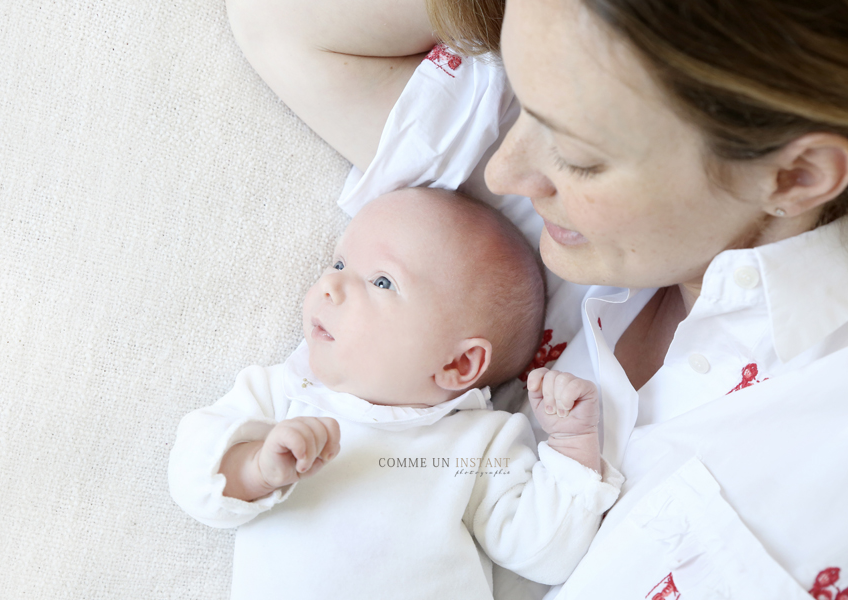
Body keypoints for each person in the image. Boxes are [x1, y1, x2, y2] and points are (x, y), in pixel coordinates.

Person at [226, 0, 848, 597]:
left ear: (794, 177)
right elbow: (279, 20)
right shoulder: (488, 240)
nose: (504, 173)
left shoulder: (814, 433)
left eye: (579, 158)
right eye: (524, 100)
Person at [168, 188, 623, 600]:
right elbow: (192, 476)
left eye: (381, 281)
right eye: (340, 263)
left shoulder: (480, 443)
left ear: (458, 365)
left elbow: (543, 553)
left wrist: (571, 445)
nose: (330, 284)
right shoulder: (286, 393)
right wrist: (255, 468)